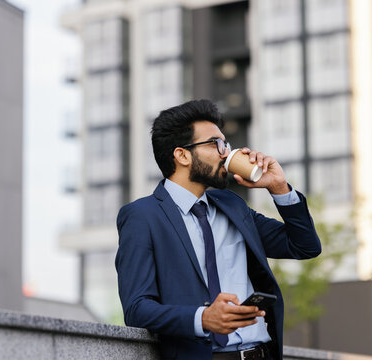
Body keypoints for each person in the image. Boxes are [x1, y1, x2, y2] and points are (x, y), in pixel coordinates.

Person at [115, 99, 321, 360]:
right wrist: (203, 318)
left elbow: (304, 246)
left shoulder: (233, 206)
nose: (227, 153)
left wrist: (279, 187)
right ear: (182, 155)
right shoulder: (143, 216)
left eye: (227, 144)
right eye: (217, 144)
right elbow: (137, 308)